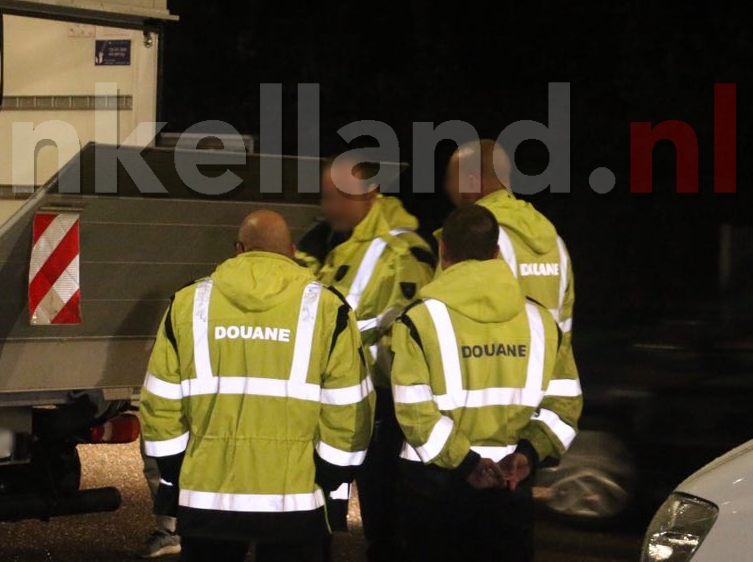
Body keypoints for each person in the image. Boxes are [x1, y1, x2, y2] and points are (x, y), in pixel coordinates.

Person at [139, 210, 375, 562]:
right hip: (296, 500)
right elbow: (350, 411)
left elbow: (160, 404)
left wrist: (178, 469)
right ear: (292, 252)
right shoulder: (328, 309)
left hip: (206, 496)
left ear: (238, 249)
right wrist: (329, 474)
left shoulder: (188, 304)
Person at [391, 205, 582, 562]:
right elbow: (566, 407)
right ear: (496, 253)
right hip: (510, 486)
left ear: (444, 253)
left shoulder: (419, 320)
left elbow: (415, 414)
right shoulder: (541, 321)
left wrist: (467, 464)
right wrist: (528, 453)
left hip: (436, 488)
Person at [296, 159, 434, 561]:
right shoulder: (326, 241)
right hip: (330, 396)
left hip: (378, 401)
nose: (329, 206)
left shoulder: (400, 252)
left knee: (382, 514)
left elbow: (403, 334)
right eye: (325, 197)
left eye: (339, 197)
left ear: (370, 194)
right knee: (314, 504)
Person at [444, 139, 576, 345]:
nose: (448, 188)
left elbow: (450, 321)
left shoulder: (471, 234)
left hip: (501, 375)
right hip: (552, 373)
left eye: (452, 179)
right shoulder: (554, 241)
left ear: (470, 182)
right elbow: (564, 325)